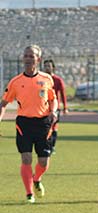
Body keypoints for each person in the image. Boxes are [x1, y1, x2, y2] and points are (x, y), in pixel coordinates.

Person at [0, 45, 57, 203]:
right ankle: (29, 194)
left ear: (38, 59)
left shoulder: (46, 79)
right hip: (24, 124)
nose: (28, 59)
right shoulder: (16, 82)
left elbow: (53, 99)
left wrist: (54, 111)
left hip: (43, 123)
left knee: (43, 162)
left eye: (31, 56)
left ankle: (37, 178)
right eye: (26, 56)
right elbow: (3, 103)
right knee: (26, 159)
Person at [43, 59, 68, 153]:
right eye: (45, 66)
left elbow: (63, 94)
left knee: (53, 127)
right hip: (44, 108)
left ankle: (51, 146)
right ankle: (46, 146)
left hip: (54, 108)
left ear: (53, 67)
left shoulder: (57, 80)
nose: (47, 68)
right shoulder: (41, 79)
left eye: (49, 66)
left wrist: (65, 107)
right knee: (45, 127)